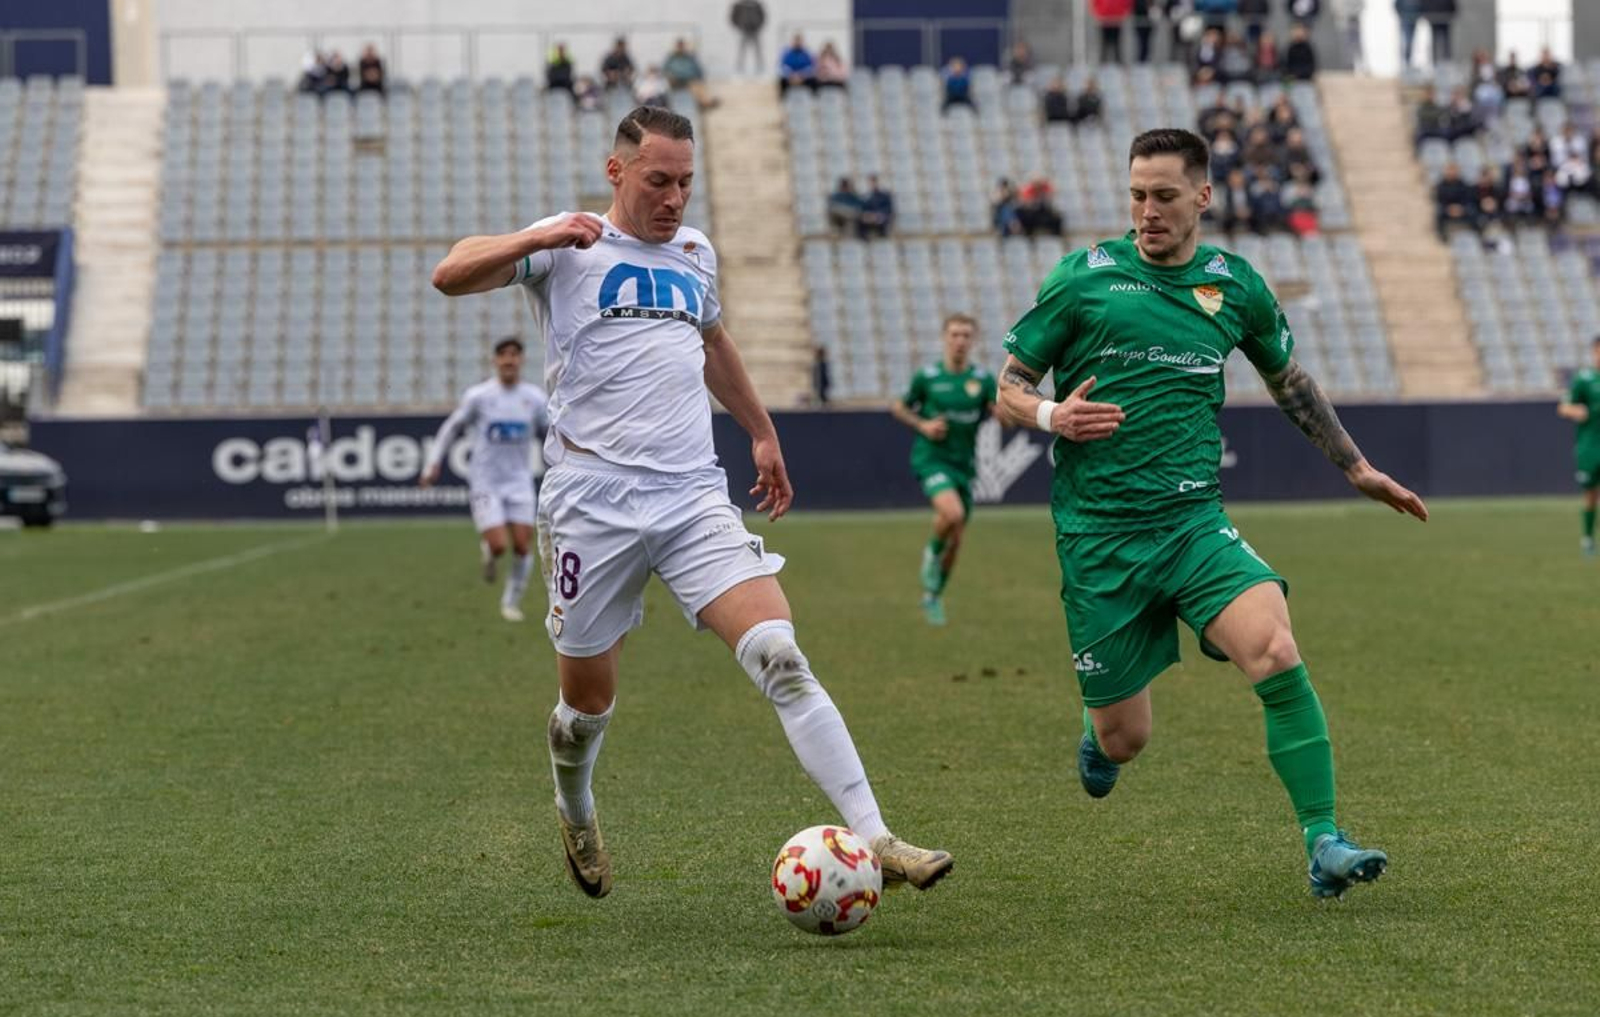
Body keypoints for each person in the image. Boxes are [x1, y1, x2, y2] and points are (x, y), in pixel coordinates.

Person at [428, 105, 954, 898]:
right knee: (585, 707)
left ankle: (876, 834)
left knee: (780, 654)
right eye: (658, 181)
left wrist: (762, 431)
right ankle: (576, 806)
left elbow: (712, 342)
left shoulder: (695, 252)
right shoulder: (567, 245)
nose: (674, 199)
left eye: (685, 183)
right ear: (617, 172)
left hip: (691, 497)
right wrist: (542, 236)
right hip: (590, 505)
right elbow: (451, 272)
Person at [995, 127, 1427, 900]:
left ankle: (1323, 839)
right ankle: (1099, 736)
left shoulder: (1236, 286)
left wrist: (1357, 467)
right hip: (1100, 538)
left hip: (1195, 524)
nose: (1147, 212)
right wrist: (1053, 414)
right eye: (1137, 195)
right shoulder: (1082, 279)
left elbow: (1290, 382)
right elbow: (1009, 386)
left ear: (1203, 196)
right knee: (1126, 739)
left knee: (1276, 649)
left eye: (1164, 196)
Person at [419, 338, 550, 623]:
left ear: (521, 360)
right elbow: (451, 428)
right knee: (500, 545)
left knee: (523, 546)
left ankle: (510, 603)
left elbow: (549, 435)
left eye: (514, 354)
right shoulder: (479, 396)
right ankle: (490, 550)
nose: (509, 360)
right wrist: (433, 463)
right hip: (486, 481)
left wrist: (558, 466)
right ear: (495, 360)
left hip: (519, 480)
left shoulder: (535, 398)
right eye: (503, 355)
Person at [888, 314, 997, 625]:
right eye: (955, 334)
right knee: (953, 513)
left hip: (964, 465)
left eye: (966, 335)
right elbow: (899, 407)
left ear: (973, 340)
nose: (960, 341)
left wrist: (1010, 413)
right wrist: (922, 424)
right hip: (932, 459)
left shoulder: (982, 380)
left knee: (957, 539)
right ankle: (930, 553)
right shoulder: (928, 377)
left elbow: (1001, 413)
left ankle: (932, 595)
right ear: (944, 338)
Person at [1556, 338, 1600, 556]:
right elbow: (1563, 407)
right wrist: (1577, 411)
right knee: (1590, 494)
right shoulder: (1584, 379)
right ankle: (1588, 539)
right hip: (1589, 447)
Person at [663, 38, 719, 109]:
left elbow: (698, 70)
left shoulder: (690, 57)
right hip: (676, 80)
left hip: (689, 79)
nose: (680, 48)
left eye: (682, 46)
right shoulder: (671, 58)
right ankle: (705, 102)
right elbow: (664, 70)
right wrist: (669, 76)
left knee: (697, 86)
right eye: (679, 46)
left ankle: (706, 102)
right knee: (694, 85)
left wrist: (700, 78)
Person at [730, 0, 767, 76]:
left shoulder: (757, 5)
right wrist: (739, 26)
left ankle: (760, 70)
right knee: (741, 51)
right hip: (743, 30)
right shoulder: (739, 5)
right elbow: (733, 17)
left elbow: (763, 16)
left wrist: (758, 26)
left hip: (755, 30)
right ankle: (739, 70)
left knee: (758, 51)